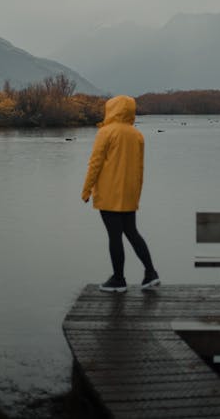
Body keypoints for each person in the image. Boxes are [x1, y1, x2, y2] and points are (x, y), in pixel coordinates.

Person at [81, 94, 160, 292]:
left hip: (109, 193)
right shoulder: (137, 135)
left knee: (114, 237)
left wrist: (86, 189)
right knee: (132, 232)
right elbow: (140, 168)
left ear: (112, 109)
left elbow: (95, 163)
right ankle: (150, 273)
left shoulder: (105, 132)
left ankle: (118, 280)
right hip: (130, 193)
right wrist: (137, 193)